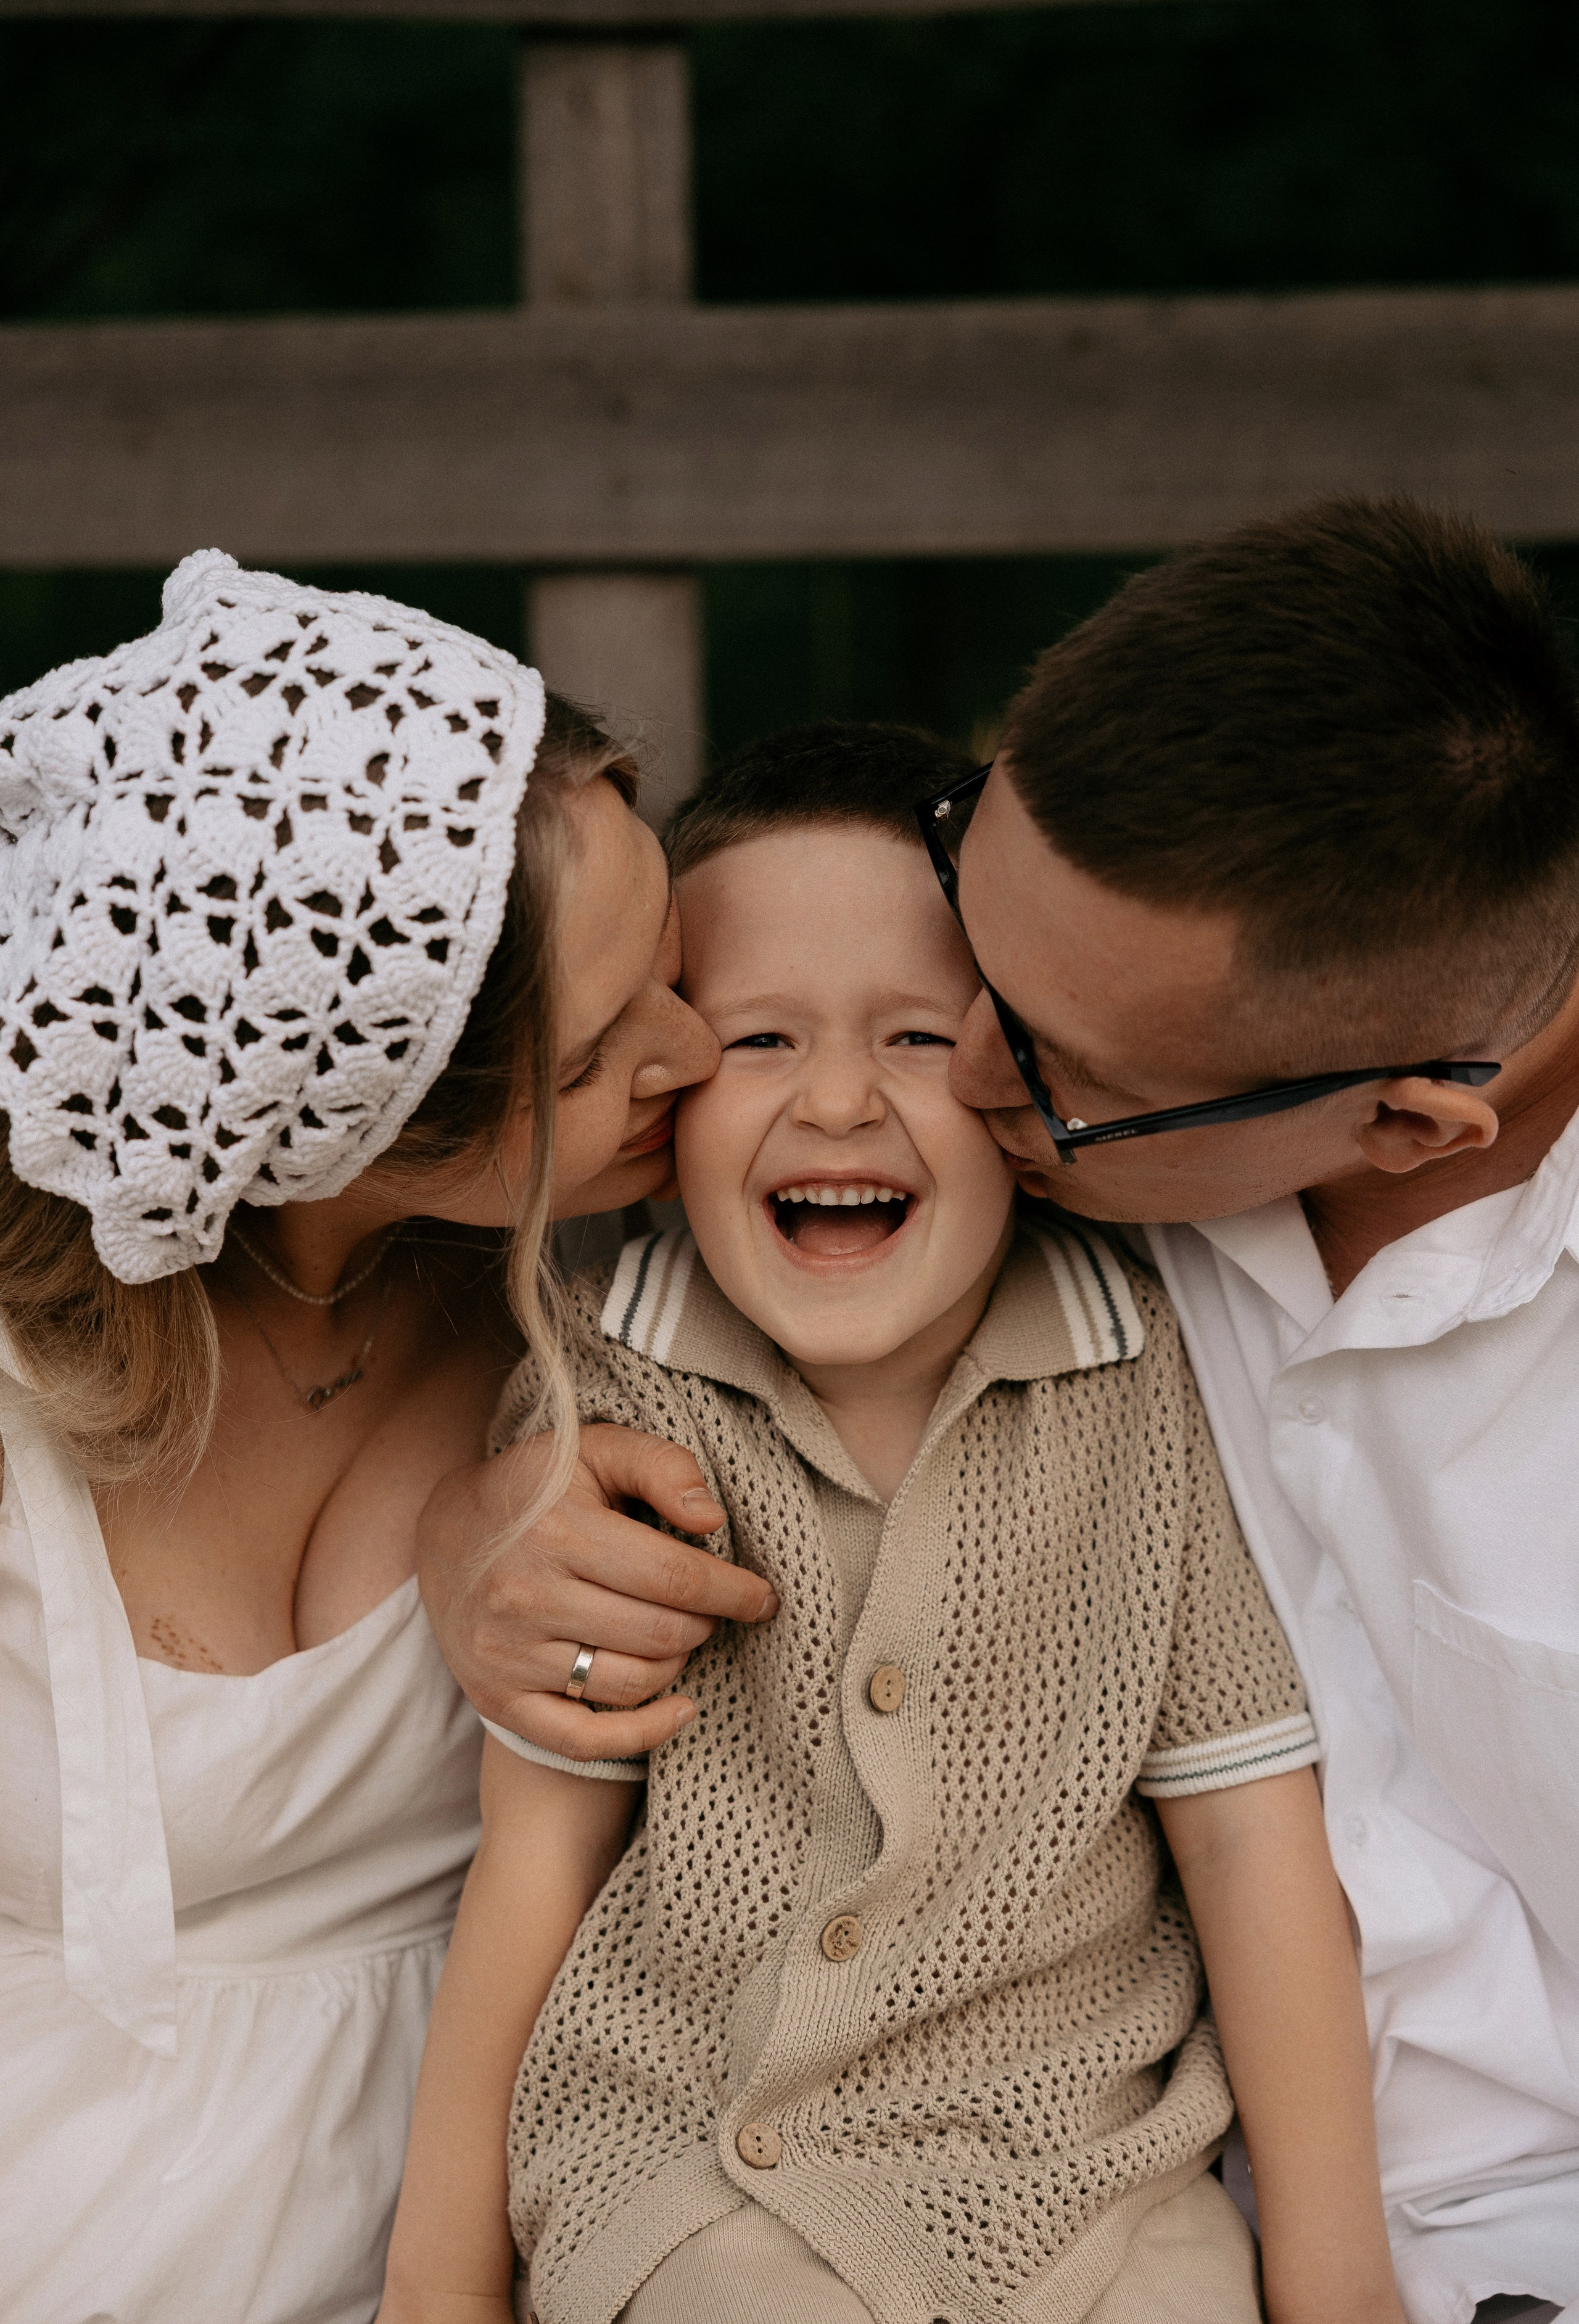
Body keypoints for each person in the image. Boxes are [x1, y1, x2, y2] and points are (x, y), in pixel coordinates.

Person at [417, 502, 1579, 2324]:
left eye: (1035, 1056)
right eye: (982, 920)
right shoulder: (1073, 1186)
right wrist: (478, 1518)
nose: (941, 1081)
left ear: (1404, 1123)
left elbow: (1245, 1831)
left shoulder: (1140, 1277)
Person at [0, 548, 733, 2324]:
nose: (701, 1051)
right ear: (348, 1124)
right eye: (597, 1056)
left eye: (676, 965)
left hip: (507, 2225)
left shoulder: (655, 1303)